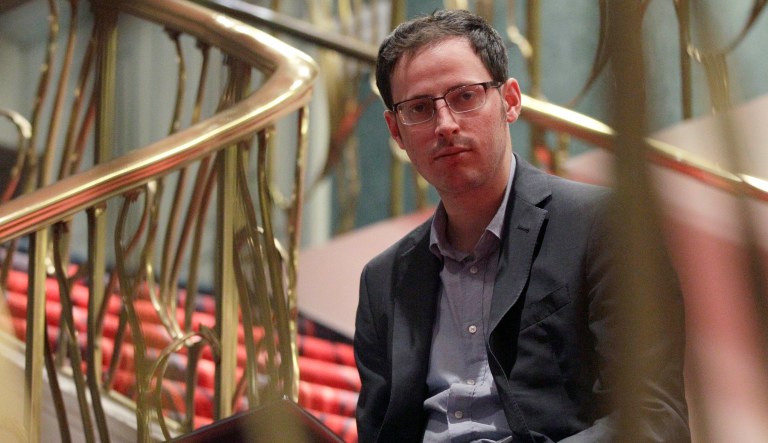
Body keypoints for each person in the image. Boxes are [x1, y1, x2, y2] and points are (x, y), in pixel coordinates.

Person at [353, 9, 690, 443]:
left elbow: (655, 416)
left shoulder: (604, 226)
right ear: (396, 131)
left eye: (465, 96)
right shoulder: (384, 280)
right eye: (419, 108)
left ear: (510, 100)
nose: (446, 124)